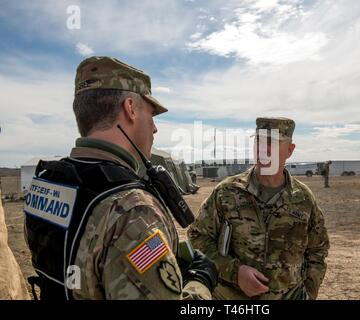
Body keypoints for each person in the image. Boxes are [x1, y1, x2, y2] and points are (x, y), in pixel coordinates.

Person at [24, 56, 217, 300]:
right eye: (151, 114)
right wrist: (200, 282)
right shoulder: (133, 211)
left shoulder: (46, 182)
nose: (155, 128)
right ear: (131, 108)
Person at [188, 117, 329, 300]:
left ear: (289, 150)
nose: (264, 149)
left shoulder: (303, 199)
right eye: (259, 141)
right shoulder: (227, 193)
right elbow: (197, 238)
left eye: (273, 142)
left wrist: (309, 293)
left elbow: (318, 250)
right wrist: (235, 272)